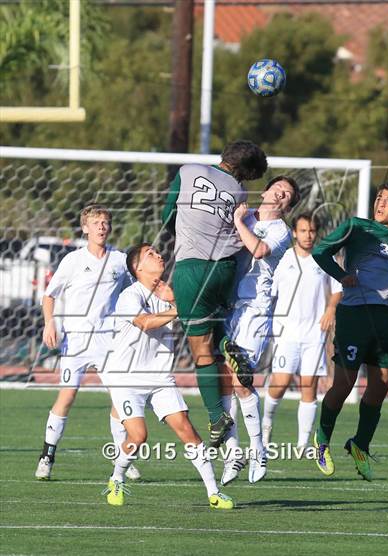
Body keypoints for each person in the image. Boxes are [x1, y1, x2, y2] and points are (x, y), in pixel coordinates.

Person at [101, 243, 234, 510]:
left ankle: (214, 492)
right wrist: (180, 306)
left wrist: (176, 300)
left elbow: (195, 322)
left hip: (160, 377)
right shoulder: (130, 295)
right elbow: (146, 323)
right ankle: (116, 478)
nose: (159, 255)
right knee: (138, 436)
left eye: (157, 252)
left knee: (187, 429)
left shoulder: (170, 294)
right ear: (138, 268)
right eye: (150, 254)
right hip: (126, 378)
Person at [162, 140, 267, 448]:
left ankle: (215, 418)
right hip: (224, 269)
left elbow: (168, 215)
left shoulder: (188, 170)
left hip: (192, 268)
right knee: (214, 332)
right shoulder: (239, 192)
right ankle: (228, 345)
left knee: (200, 351)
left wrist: (181, 231)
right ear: (245, 173)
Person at [311, 181, 388, 481]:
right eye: (379, 198)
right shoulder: (356, 227)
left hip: (385, 319)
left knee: (381, 386)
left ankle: (360, 444)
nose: (381, 203)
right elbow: (321, 252)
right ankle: (322, 440)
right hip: (355, 315)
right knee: (344, 385)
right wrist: (341, 275)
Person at [35, 205, 139, 481]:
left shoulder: (120, 259)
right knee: (67, 396)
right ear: (85, 228)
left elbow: (135, 290)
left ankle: (122, 454)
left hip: (110, 340)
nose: (102, 227)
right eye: (96, 223)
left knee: (120, 397)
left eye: (105, 222)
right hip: (77, 342)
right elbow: (49, 296)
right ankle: (47, 456)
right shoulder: (72, 261)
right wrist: (50, 323)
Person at [219, 176, 300, 485]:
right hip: (227, 307)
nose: (280, 194)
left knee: (241, 379)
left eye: (287, 195)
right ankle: (233, 452)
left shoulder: (281, 231)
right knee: (224, 383)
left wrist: (239, 221)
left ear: (287, 205)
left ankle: (257, 449)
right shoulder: (245, 214)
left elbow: (259, 250)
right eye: (278, 188)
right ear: (266, 191)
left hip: (255, 308)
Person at [261, 213, 342, 452]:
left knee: (310, 385)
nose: (308, 235)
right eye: (303, 230)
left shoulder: (324, 259)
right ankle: (266, 426)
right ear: (294, 233)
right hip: (286, 332)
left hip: (314, 334)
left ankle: (303, 443)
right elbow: (269, 291)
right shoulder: (283, 258)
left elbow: (337, 288)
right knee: (281, 383)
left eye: (312, 231)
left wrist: (330, 308)